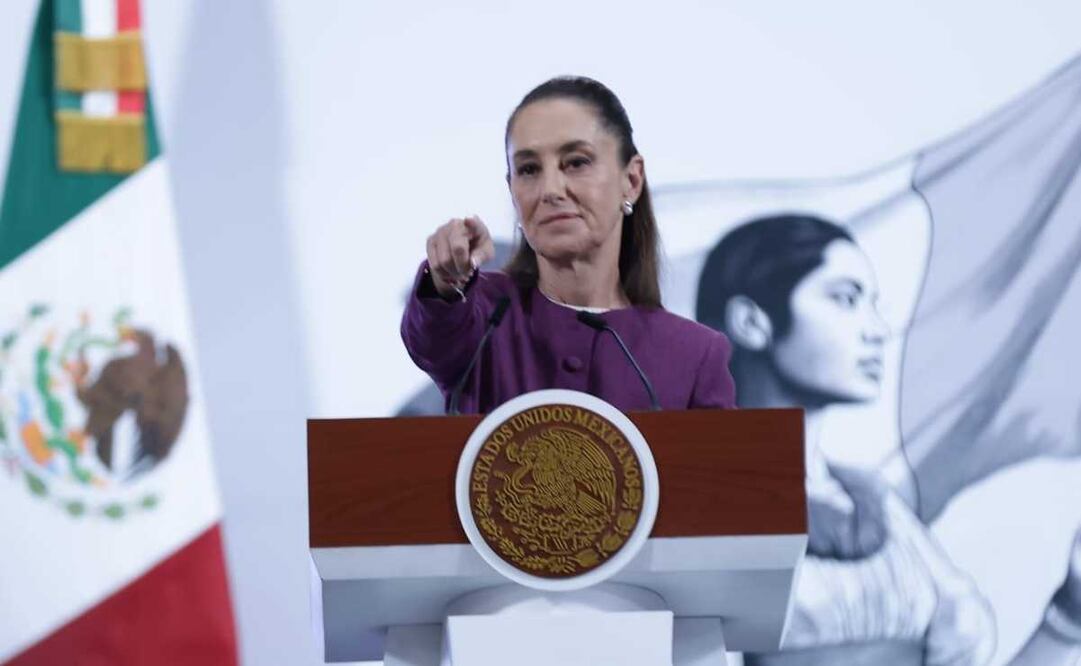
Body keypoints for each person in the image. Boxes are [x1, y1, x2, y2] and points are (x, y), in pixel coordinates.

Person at [696, 214, 996, 666]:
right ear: (752, 322)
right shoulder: (692, 501)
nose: (878, 330)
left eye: (873, 304)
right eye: (846, 299)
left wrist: (1065, 619)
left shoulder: (877, 506)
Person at [401, 76, 735, 414]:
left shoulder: (693, 354)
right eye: (529, 169)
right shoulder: (485, 315)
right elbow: (432, 337)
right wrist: (447, 280)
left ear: (631, 180)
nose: (550, 189)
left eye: (576, 162)